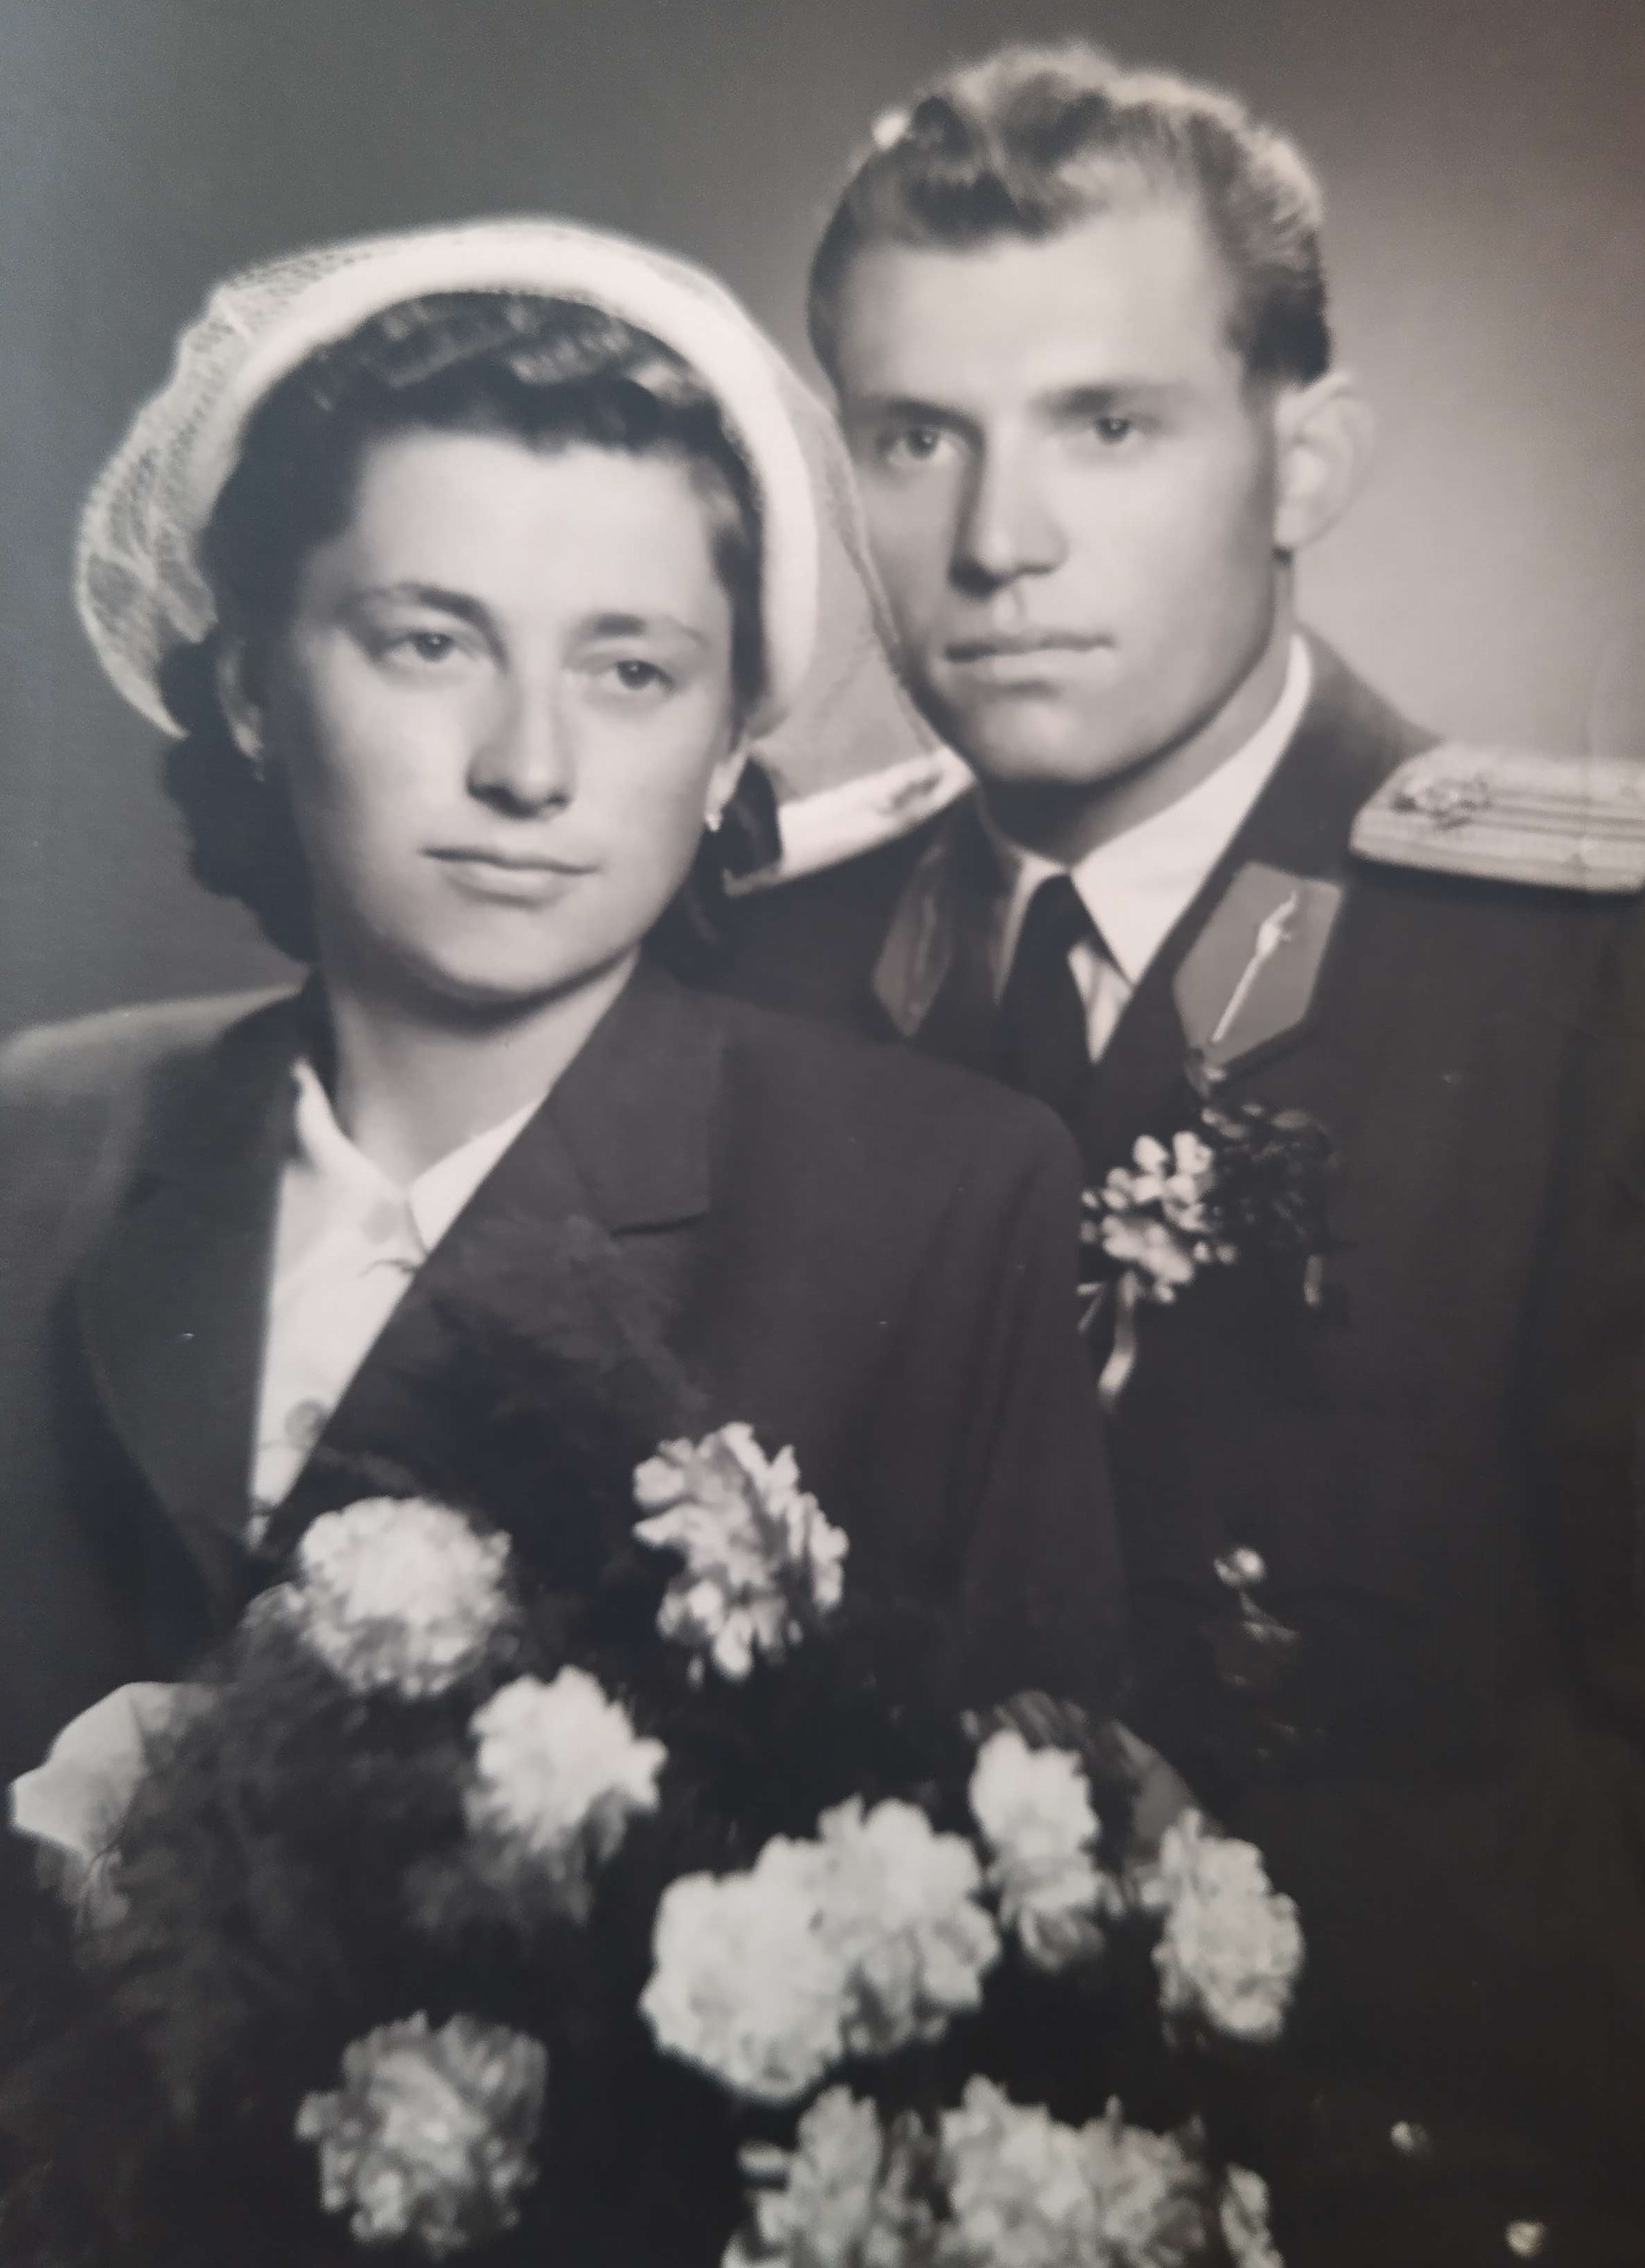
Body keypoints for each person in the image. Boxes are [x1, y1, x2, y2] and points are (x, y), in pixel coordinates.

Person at [710, 40, 1645, 2263]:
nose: (997, 543)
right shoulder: (760, 959)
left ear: (1305, 459)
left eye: (1107, 427)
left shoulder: (1580, 993)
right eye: (915, 437)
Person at [0, 220, 1130, 1817]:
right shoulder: (45, 1137)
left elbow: (1032, 1865)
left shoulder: (941, 1199)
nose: (526, 768)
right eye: (429, 643)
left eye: (629, 672)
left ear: (729, 746)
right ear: (251, 688)